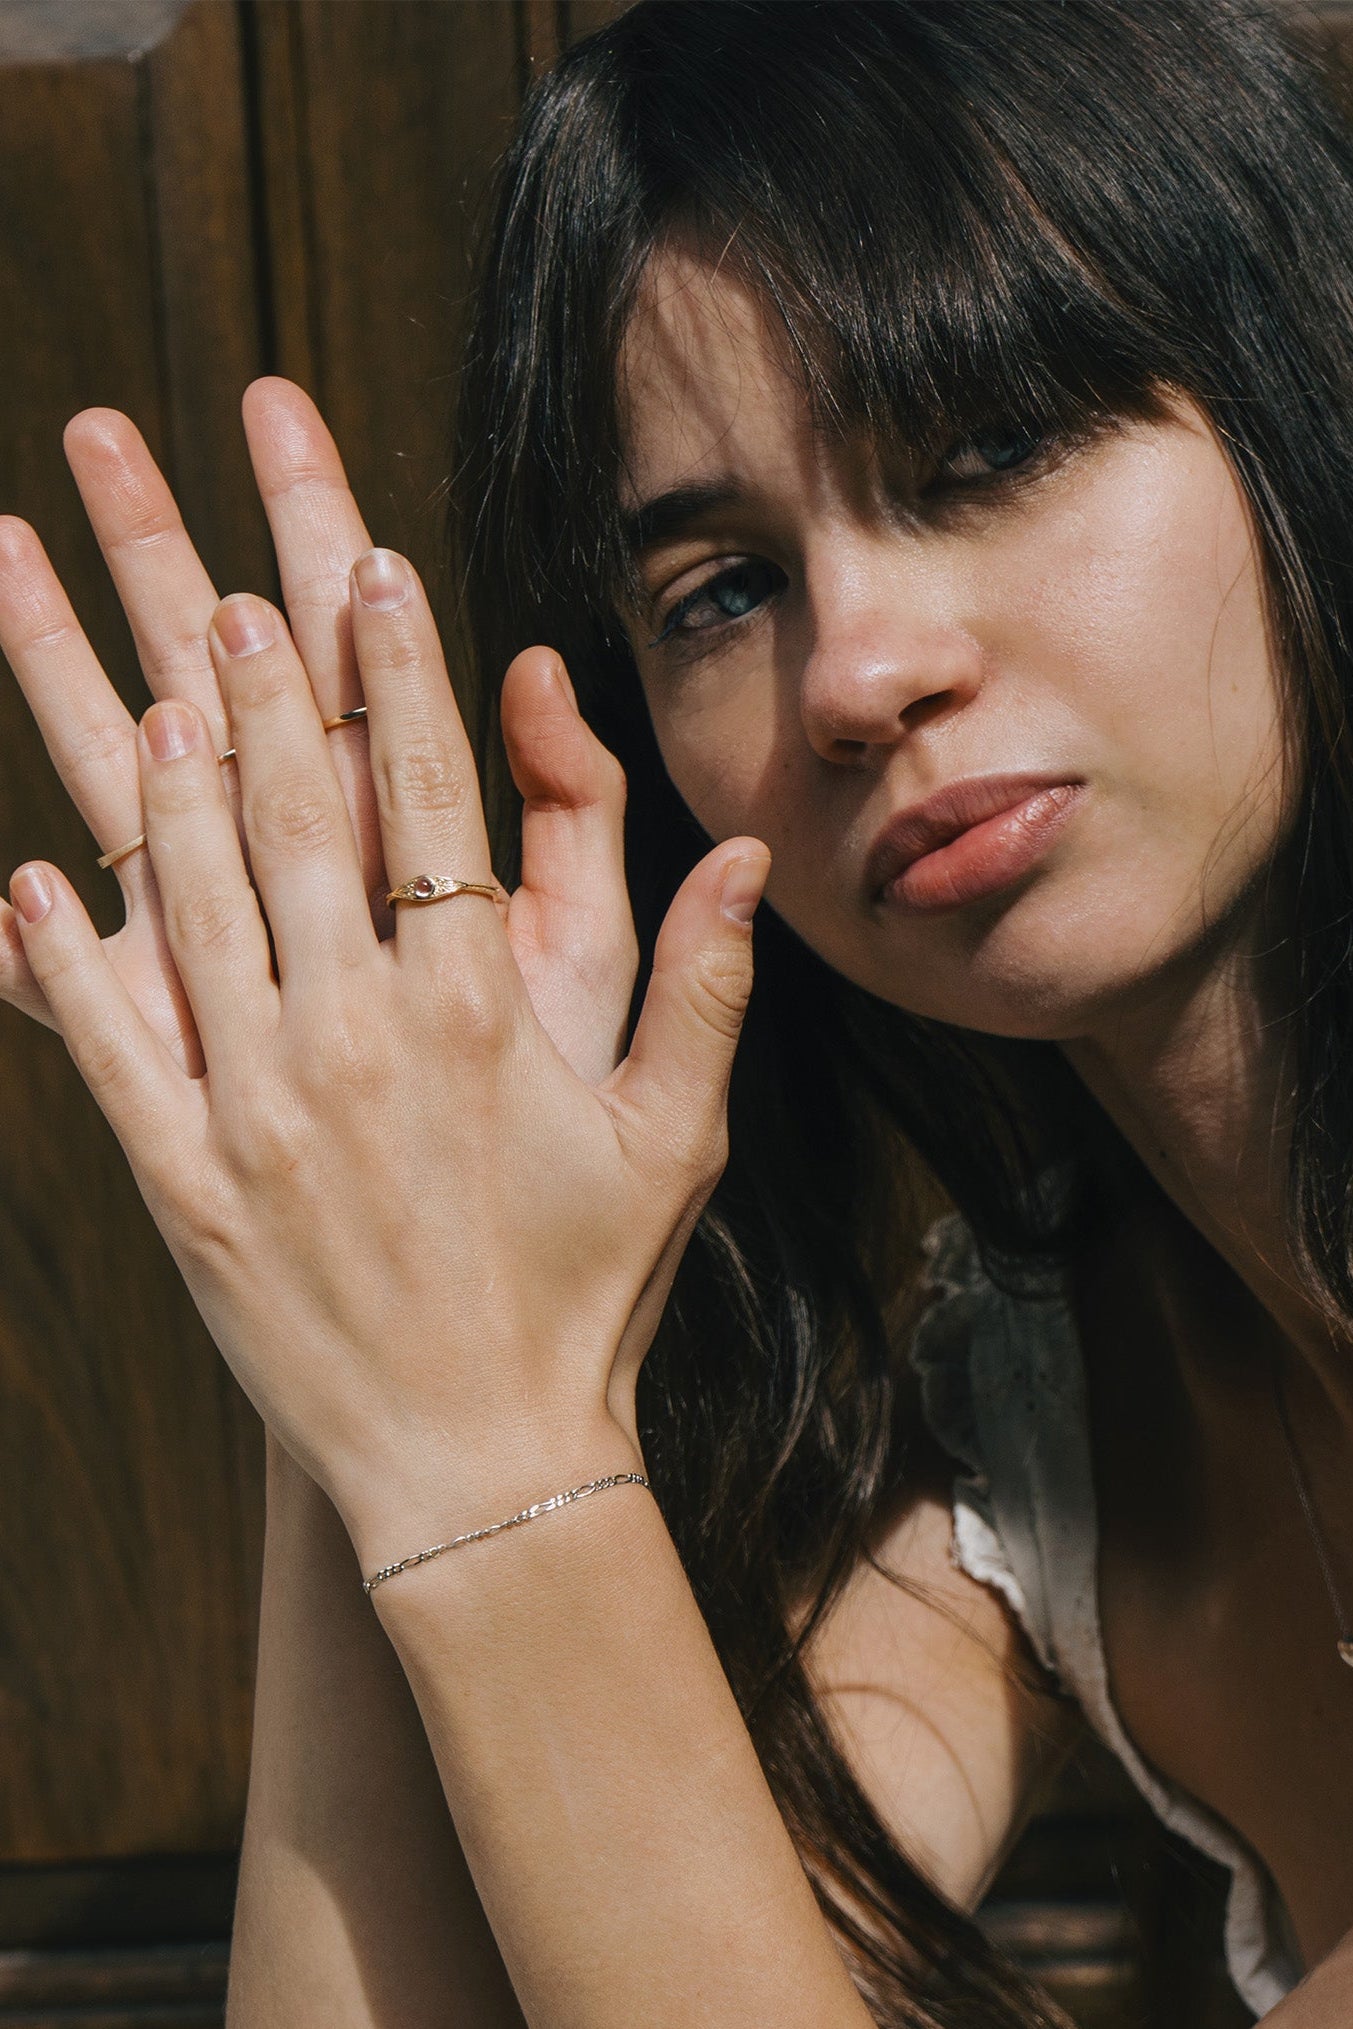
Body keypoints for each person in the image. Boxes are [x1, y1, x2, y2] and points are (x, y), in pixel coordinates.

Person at [0, 0, 1351, 2020]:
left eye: (984, 451)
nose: (857, 670)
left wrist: (477, 1449)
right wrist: (366, 1255)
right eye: (719, 586)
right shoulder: (1067, 1386)